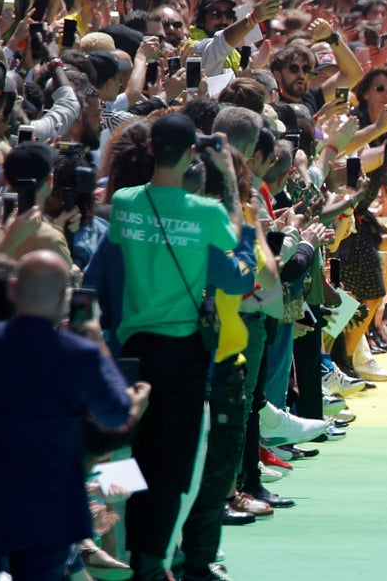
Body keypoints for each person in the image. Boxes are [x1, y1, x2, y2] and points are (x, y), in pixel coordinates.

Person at [0, 250, 148, 580]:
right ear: (64, 297)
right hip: (53, 507)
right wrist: (98, 347)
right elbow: (117, 412)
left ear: (14, 289)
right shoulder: (79, 353)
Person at [109, 114, 240, 579]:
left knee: (127, 454)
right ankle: (150, 560)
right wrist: (227, 176)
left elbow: (118, 245)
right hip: (182, 349)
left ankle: (122, 552)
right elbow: (237, 243)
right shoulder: (206, 211)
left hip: (131, 347)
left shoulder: (124, 201)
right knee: (172, 464)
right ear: (190, 155)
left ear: (150, 152)